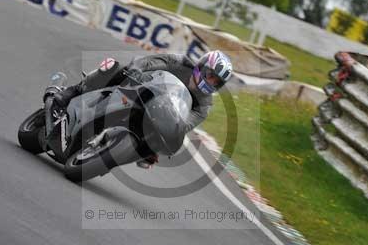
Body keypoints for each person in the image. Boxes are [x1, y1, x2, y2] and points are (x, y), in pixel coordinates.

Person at [45, 51, 233, 168]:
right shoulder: (180, 62)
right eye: (210, 76)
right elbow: (150, 62)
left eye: (216, 81)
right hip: (139, 88)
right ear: (201, 67)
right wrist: (136, 69)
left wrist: (163, 143)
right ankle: (68, 94)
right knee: (113, 67)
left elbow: (183, 125)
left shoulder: (204, 105)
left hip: (158, 116)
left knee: (151, 153)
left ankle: (108, 151)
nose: (210, 82)